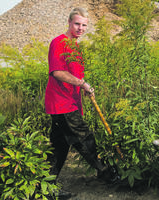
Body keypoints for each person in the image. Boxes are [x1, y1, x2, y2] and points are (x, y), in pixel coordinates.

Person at [45, 7, 117, 198]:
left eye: (84, 25)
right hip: (62, 103)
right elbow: (57, 72)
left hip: (71, 102)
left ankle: (45, 187)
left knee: (59, 146)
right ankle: (107, 174)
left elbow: (73, 74)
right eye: (77, 24)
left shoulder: (75, 45)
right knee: (85, 139)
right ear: (69, 22)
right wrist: (82, 83)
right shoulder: (59, 43)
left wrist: (82, 87)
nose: (80, 28)